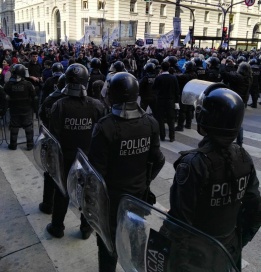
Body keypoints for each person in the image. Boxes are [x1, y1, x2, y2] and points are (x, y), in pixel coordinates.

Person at [168, 86, 261, 270]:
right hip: (228, 252)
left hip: (196, 258)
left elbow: (179, 225)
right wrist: (237, 241)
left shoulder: (192, 164)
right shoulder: (243, 157)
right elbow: (256, 209)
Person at [88, 72, 165, 272]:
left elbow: (96, 172)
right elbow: (158, 160)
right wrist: (145, 182)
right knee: (137, 236)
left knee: (108, 242)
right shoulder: (150, 123)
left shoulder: (105, 127)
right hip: (138, 195)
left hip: (111, 198)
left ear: (112, 95)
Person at [46, 63, 104, 239]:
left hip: (66, 156)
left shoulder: (60, 105)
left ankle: (57, 227)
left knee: (62, 192)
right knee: (87, 193)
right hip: (87, 157)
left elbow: (52, 136)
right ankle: (86, 229)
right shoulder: (96, 105)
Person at [38, 74, 66, 214]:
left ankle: (48, 204)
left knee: (50, 174)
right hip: (70, 146)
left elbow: (42, 116)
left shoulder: (50, 100)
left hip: (52, 143)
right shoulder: (84, 103)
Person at [219, 61, 253, 147]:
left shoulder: (239, 78)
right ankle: (239, 142)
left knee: (229, 121)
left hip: (234, 101)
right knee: (238, 122)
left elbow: (224, 74)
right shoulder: (249, 77)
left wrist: (222, 63)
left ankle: (226, 140)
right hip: (242, 102)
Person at [3, 64, 36, 150]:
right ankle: (30, 144)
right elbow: (34, 96)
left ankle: (13, 145)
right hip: (26, 108)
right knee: (28, 126)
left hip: (14, 109)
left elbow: (5, 95)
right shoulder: (28, 84)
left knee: (14, 126)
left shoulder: (9, 84)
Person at [152, 61, 180, 142]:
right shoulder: (173, 77)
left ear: (161, 68)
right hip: (170, 101)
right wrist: (176, 102)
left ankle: (162, 136)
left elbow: (154, 89)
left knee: (160, 119)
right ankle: (172, 137)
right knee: (171, 119)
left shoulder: (158, 78)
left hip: (160, 101)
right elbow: (177, 91)